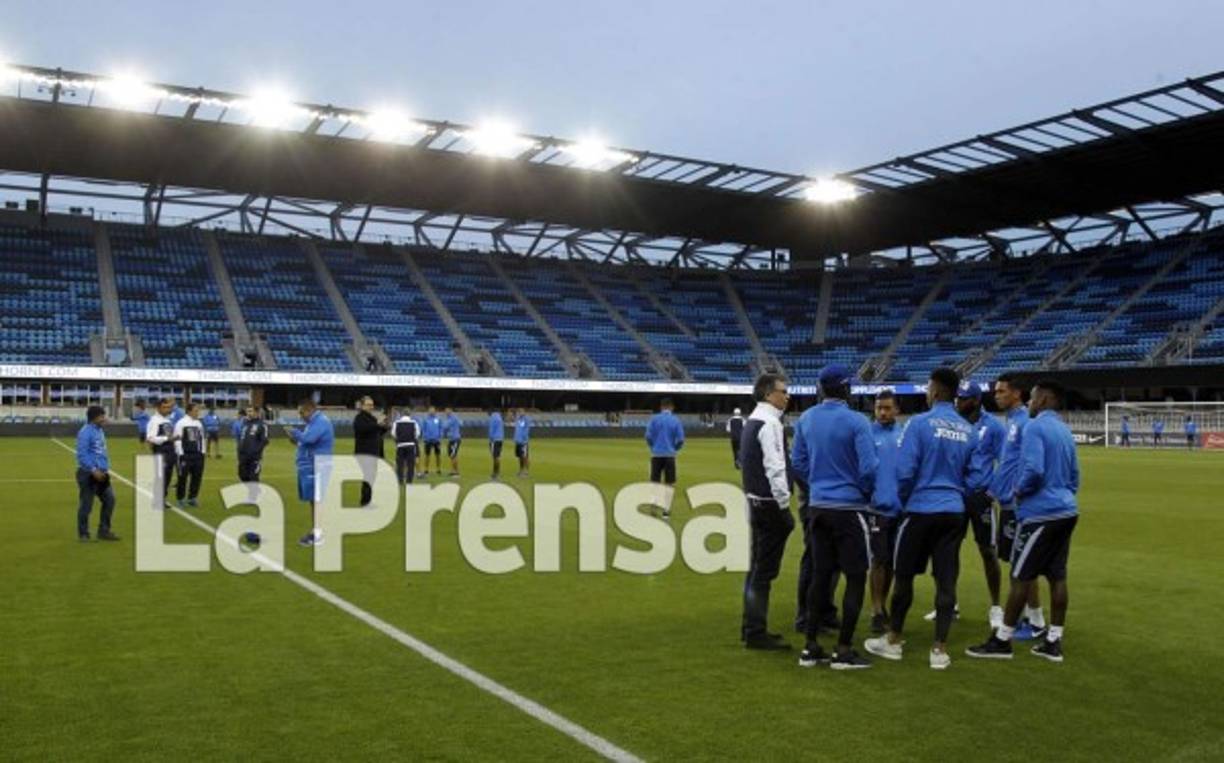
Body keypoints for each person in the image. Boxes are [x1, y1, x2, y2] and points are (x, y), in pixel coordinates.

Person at [865, 367, 985, 671]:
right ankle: (939, 649)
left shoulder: (918, 424)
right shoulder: (968, 430)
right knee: (946, 580)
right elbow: (976, 477)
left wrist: (906, 500)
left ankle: (893, 641)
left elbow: (905, 472)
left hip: (919, 510)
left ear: (935, 390)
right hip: (953, 512)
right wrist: (958, 494)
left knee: (903, 576)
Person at [968, 379, 1080, 663]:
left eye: (1033, 398)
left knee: (1020, 575)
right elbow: (1075, 476)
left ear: (1043, 400)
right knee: (1057, 575)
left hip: (1040, 512)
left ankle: (1002, 640)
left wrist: (1018, 492)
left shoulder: (1035, 427)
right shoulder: (1065, 431)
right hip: (1067, 509)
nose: (1030, 402)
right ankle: (1053, 641)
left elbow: (1033, 470)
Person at [790, 364, 877, 670]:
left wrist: (816, 487)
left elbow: (797, 462)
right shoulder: (858, 421)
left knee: (820, 575)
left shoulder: (807, 418)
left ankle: (811, 647)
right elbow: (868, 469)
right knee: (855, 577)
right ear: (846, 389)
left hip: (818, 507)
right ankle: (843, 650)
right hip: (850, 508)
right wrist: (863, 493)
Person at [932, 380, 1006, 628]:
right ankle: (948, 604)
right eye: (957, 398)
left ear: (975, 400)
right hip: (955, 496)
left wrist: (992, 492)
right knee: (948, 551)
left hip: (980, 497)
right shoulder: (954, 424)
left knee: (988, 551)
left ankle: (996, 606)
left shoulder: (994, 427)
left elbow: (1005, 462)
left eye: (963, 398)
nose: (958, 402)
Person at [989, 372, 1047, 640]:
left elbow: (1030, 464)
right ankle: (1032, 619)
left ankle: (1033, 621)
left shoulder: (1024, 423)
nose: (997, 395)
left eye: (1001, 391)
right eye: (996, 391)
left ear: (1016, 394)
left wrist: (1017, 491)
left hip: (1017, 506)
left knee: (1020, 566)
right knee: (1017, 564)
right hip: (1007, 503)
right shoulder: (1011, 421)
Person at [739, 374, 795, 650]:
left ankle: (749, 625)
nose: (787, 396)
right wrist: (784, 504)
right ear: (768, 394)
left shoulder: (753, 420)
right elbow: (776, 467)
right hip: (769, 504)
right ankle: (756, 631)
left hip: (754, 501)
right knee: (764, 572)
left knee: (755, 568)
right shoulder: (771, 423)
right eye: (783, 391)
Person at [868, 391, 902, 635]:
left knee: (892, 562)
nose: (882, 413)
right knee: (878, 560)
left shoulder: (906, 435)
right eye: (879, 408)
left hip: (901, 508)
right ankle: (876, 610)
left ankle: (884, 605)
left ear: (897, 410)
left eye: (887, 408)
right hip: (877, 508)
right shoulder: (868, 434)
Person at [287, 398, 335, 548]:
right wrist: (296, 440)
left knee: (317, 501)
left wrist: (295, 432)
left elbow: (309, 439)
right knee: (313, 500)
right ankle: (317, 531)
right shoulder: (312, 423)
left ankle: (319, 534)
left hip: (318, 465)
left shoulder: (320, 421)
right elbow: (306, 442)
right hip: (312, 465)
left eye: (302, 413)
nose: (300, 416)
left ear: (310, 410)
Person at [76, 405, 118, 542]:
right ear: (94, 418)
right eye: (102, 416)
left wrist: (103, 468)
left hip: (102, 473)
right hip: (88, 473)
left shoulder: (99, 430)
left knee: (110, 499)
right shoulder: (85, 432)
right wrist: (93, 469)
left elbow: (100, 451)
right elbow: (82, 455)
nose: (104, 418)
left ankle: (104, 531)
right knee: (86, 505)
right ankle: (83, 534)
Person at [645, 398, 685, 518]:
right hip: (669, 455)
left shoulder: (654, 419)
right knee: (669, 483)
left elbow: (648, 436)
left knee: (655, 482)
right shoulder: (675, 420)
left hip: (656, 455)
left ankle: (653, 508)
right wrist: (674, 448)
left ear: (661, 407)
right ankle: (666, 511)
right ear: (671, 407)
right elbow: (681, 440)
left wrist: (653, 447)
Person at [352, 396, 388, 507]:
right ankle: (365, 502)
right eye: (368, 404)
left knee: (371, 477)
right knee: (369, 477)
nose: (371, 407)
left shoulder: (371, 418)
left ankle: (367, 500)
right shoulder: (359, 418)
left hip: (373, 452)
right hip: (365, 452)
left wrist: (385, 425)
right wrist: (377, 424)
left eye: (372, 405)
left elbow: (378, 431)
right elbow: (363, 429)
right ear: (362, 405)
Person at [145, 397, 178, 509]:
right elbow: (150, 438)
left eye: (168, 407)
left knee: (167, 477)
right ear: (158, 408)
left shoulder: (167, 421)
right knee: (161, 477)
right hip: (161, 451)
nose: (167, 409)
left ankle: (162, 499)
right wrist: (166, 438)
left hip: (170, 451)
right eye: (164, 407)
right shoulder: (154, 421)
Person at [173, 402, 207, 508]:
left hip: (198, 455)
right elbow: (177, 439)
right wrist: (181, 453)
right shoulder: (181, 423)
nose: (198, 413)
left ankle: (192, 498)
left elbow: (202, 438)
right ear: (189, 411)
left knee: (197, 477)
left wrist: (203, 452)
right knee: (182, 477)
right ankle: (180, 499)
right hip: (185, 455)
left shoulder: (198, 423)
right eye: (196, 410)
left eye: (198, 410)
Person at [236, 406, 269, 499]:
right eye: (247, 411)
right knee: (242, 475)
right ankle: (255, 490)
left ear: (257, 412)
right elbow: (241, 438)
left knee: (253, 476)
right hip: (242, 455)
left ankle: (252, 497)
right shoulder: (245, 424)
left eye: (251, 411)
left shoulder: (262, 425)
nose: (249, 413)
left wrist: (256, 451)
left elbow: (264, 441)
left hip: (254, 456)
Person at [392, 409, 420, 485]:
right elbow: (417, 434)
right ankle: (409, 481)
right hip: (411, 445)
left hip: (400, 445)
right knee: (410, 464)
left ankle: (400, 480)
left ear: (402, 415)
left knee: (400, 464)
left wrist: (399, 439)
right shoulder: (414, 422)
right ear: (409, 414)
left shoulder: (396, 423)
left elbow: (393, 434)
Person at [421, 407, 443, 477]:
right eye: (430, 411)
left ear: (435, 411)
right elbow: (423, 429)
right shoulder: (425, 419)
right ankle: (426, 469)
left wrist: (440, 437)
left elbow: (441, 428)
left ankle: (438, 469)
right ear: (428, 412)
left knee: (438, 455)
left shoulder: (438, 419)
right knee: (427, 455)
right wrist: (424, 437)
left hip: (436, 440)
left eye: (433, 411)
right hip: (428, 440)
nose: (431, 412)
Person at [512, 408, 532, 477]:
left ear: (524, 412)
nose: (520, 413)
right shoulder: (518, 419)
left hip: (523, 442)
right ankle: (521, 470)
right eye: (519, 412)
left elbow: (525, 430)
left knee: (525, 457)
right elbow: (518, 429)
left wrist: (524, 439)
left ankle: (526, 472)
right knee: (520, 457)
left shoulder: (525, 419)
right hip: (518, 441)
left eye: (521, 412)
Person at [444, 407, 463, 477]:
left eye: (447, 411)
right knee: (451, 455)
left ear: (450, 410)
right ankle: (453, 470)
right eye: (445, 411)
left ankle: (457, 472)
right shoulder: (453, 418)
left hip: (455, 439)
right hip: (451, 439)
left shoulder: (453, 418)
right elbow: (461, 423)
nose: (446, 412)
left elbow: (445, 426)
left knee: (453, 455)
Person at [488, 409, 505, 480]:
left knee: (495, 457)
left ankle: (495, 473)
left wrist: (490, 438)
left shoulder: (493, 418)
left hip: (494, 440)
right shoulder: (500, 418)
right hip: (500, 439)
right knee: (497, 456)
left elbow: (491, 429)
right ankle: (496, 472)